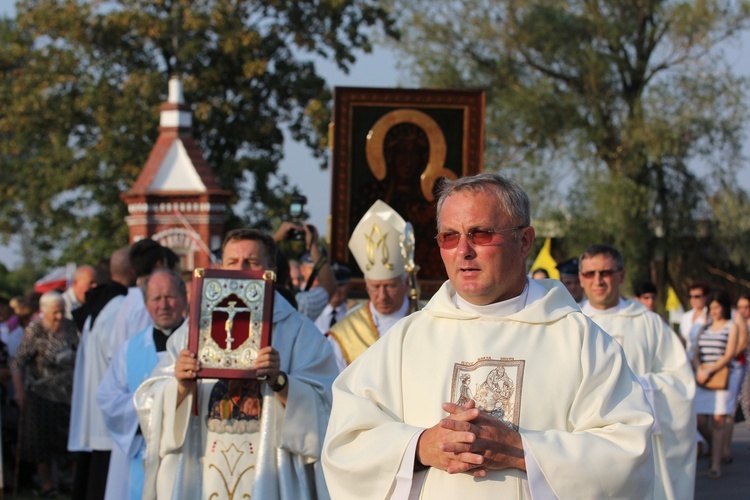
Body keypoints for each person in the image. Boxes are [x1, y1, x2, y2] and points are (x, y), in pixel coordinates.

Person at [322, 173, 655, 498]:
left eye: (480, 234)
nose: (463, 250)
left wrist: (522, 450)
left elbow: (628, 449)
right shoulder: (407, 339)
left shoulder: (578, 339)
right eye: (449, 237)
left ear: (524, 241)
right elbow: (346, 441)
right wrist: (420, 447)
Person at [135, 228, 338, 499]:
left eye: (251, 262)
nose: (240, 269)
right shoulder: (193, 328)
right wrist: (180, 386)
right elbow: (149, 400)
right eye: (232, 262)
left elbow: (326, 406)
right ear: (220, 266)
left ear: (271, 270)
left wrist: (281, 381)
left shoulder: (298, 331)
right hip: (205, 464)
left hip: (269, 475)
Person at [578, 244, 695, 499]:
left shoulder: (648, 322)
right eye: (590, 274)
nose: (598, 280)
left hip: (642, 443)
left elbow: (681, 381)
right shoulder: (569, 323)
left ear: (621, 275)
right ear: (581, 278)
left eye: (606, 272)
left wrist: (639, 388)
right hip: (587, 442)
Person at [96, 269, 187, 500]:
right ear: (146, 304)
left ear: (185, 298)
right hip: (144, 452)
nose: (163, 305)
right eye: (156, 298)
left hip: (189, 452)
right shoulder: (129, 349)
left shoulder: (201, 344)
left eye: (170, 297)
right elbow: (108, 398)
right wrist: (153, 408)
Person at [68, 248, 135, 500]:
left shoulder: (102, 305)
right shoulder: (121, 307)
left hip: (94, 408)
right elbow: (121, 362)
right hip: (111, 411)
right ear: (133, 271)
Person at [326, 200, 413, 371]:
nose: (382, 296)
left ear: (406, 283)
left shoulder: (427, 319)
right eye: (375, 287)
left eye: (389, 286)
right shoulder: (345, 334)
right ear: (366, 285)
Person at [11, 291, 78, 497]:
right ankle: (47, 484)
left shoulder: (70, 327)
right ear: (43, 312)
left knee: (67, 442)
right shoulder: (35, 330)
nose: (59, 316)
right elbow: (17, 363)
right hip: (41, 395)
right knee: (42, 444)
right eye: (55, 312)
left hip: (67, 395)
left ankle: (69, 481)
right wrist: (20, 392)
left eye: (61, 311)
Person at [693, 291, 740, 479]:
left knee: (719, 421)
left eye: (717, 307)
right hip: (703, 377)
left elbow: (729, 354)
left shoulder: (732, 326)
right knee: (699, 421)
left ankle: (715, 465)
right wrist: (699, 369)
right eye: (710, 308)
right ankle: (716, 445)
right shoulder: (705, 327)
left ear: (724, 307)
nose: (713, 311)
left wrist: (710, 370)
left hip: (721, 378)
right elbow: (695, 352)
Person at [273, 222, 335, 320]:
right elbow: (329, 287)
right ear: (288, 276)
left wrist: (275, 238)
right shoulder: (298, 304)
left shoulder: (251, 302)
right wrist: (313, 245)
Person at [313, 263, 353, 334]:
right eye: (331, 285)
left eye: (341, 285)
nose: (336, 289)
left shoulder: (353, 314)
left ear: (349, 286)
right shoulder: (313, 313)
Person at [680, 282, 710, 358]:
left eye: (697, 296)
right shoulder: (685, 317)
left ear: (705, 297)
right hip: (687, 360)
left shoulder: (710, 315)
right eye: (690, 296)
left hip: (704, 358)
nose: (693, 299)